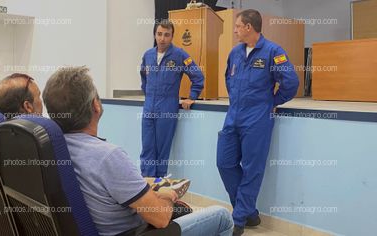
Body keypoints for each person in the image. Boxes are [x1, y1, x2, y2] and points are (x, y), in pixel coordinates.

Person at [43, 66, 233, 236]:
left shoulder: (54, 149)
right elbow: (161, 218)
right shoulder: (108, 156)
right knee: (222, 216)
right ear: (96, 105)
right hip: (133, 231)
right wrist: (167, 195)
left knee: (182, 212)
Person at [216, 9, 299, 236]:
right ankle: (249, 212)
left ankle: (240, 219)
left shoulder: (273, 51)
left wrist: (274, 101)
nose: (234, 30)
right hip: (233, 116)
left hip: (258, 118)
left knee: (252, 169)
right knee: (223, 162)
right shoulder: (235, 53)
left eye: (237, 26)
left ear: (249, 27)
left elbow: (291, 82)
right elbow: (228, 78)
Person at [140, 19, 204, 178]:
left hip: (167, 108)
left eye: (166, 35)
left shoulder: (179, 55)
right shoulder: (148, 55)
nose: (162, 38)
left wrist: (192, 96)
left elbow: (198, 76)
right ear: (155, 35)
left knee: (162, 149)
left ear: (172, 36)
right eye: (159, 34)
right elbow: (143, 76)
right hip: (149, 108)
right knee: (147, 148)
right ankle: (147, 184)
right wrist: (147, 93)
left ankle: (160, 184)